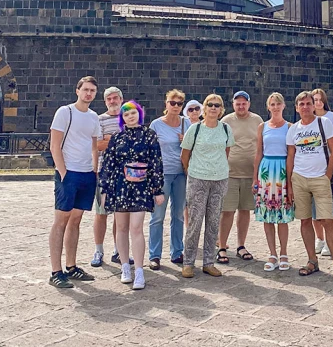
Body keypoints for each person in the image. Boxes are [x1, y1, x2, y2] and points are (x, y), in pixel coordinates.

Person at [100, 101, 164, 290]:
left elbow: (156, 162)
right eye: (126, 115)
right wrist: (104, 189)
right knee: (121, 227)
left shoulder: (149, 135)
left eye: (133, 113)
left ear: (139, 114)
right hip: (120, 186)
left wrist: (158, 189)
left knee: (136, 228)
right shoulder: (117, 137)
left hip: (141, 186)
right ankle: (125, 267)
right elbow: (108, 164)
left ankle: (139, 270)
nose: (130, 117)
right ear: (122, 118)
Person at [286, 91, 333, 285]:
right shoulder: (293, 129)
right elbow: (291, 156)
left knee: (327, 221)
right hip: (300, 178)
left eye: (308, 103)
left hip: (320, 177)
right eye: (301, 104)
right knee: (305, 221)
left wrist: (328, 174)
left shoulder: (324, 123)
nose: (305, 107)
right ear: (296, 108)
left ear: (314, 105)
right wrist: (289, 182)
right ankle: (312, 260)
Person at [48, 76, 102, 288]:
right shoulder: (65, 112)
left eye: (92, 91)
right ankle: (55, 271)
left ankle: (71, 267)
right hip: (69, 173)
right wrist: (63, 172)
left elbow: (94, 144)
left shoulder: (93, 117)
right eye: (85, 89)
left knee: (76, 220)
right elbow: (55, 145)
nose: (88, 93)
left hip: (87, 174)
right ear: (77, 90)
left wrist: (94, 170)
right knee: (61, 221)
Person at [180, 94, 235, 278]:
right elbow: (185, 155)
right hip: (198, 178)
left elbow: (225, 152)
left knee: (213, 221)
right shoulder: (195, 129)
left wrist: (217, 169)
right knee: (195, 222)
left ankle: (209, 262)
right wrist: (192, 173)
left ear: (221, 109)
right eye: (210, 105)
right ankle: (188, 262)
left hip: (219, 179)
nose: (213, 108)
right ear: (204, 108)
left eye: (217, 105)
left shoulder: (226, 129)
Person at [218, 91, 264, 264]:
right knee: (227, 211)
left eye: (244, 103)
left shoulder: (257, 120)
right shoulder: (226, 121)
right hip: (229, 173)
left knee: (245, 211)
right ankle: (222, 247)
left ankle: (241, 245)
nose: (241, 106)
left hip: (251, 174)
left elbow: (262, 144)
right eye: (238, 103)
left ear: (249, 104)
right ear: (233, 104)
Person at [148, 89, 189, 270]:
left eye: (179, 104)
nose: (175, 106)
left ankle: (177, 252)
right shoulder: (156, 125)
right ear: (166, 104)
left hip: (181, 173)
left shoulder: (187, 124)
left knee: (178, 215)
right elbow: (149, 150)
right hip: (161, 174)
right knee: (157, 216)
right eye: (172, 102)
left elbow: (195, 147)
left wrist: (186, 141)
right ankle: (154, 255)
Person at [253, 92, 294, 271]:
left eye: (278, 103)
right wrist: (255, 177)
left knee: (283, 216)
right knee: (267, 215)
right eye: (272, 104)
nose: (275, 107)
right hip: (266, 170)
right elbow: (258, 152)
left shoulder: (290, 127)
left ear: (283, 106)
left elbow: (292, 153)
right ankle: (272, 253)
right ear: (268, 107)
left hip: (283, 169)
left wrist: (291, 180)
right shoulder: (262, 127)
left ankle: (284, 252)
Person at [91, 86, 124, 268]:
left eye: (115, 98)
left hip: (124, 174)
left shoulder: (128, 118)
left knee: (120, 215)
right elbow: (97, 145)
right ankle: (99, 250)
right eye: (109, 99)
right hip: (104, 172)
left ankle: (118, 250)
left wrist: (110, 140)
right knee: (101, 213)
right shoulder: (99, 119)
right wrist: (114, 141)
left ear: (121, 100)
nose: (112, 101)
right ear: (105, 102)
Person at [311, 88, 333, 257]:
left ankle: (332, 238)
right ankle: (320, 238)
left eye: (320, 99)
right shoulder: (308, 119)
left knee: (331, 205)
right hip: (312, 169)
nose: (317, 102)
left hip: (329, 167)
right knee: (314, 207)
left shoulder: (332, 118)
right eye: (314, 99)